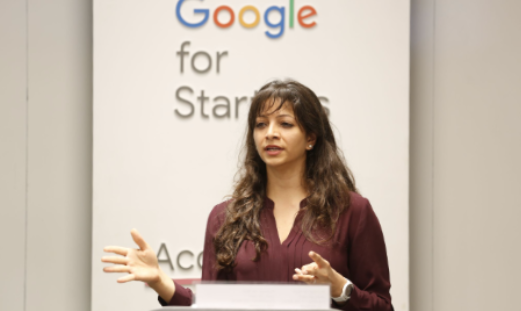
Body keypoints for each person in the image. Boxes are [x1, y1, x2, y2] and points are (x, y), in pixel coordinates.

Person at [102, 79, 393, 311]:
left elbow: (382, 306)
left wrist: (342, 290)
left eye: (285, 124)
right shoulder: (225, 217)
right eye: (261, 124)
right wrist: (161, 282)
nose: (270, 133)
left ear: (311, 138)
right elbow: (213, 307)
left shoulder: (352, 211)